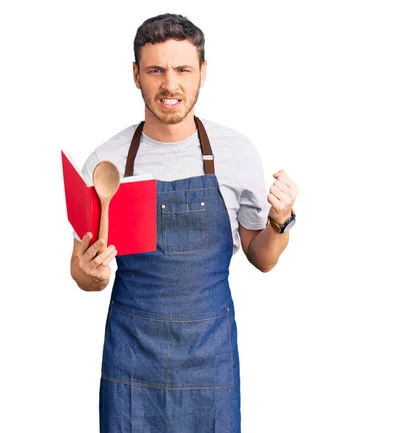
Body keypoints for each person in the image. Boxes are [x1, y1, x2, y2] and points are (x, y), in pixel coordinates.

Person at [69, 13, 298, 433]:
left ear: (202, 74)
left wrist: (280, 222)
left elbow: (262, 258)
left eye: (182, 70)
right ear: (136, 75)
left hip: (209, 358)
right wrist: (89, 273)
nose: (169, 84)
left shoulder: (236, 153)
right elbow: (83, 273)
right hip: (132, 358)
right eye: (155, 69)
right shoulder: (107, 162)